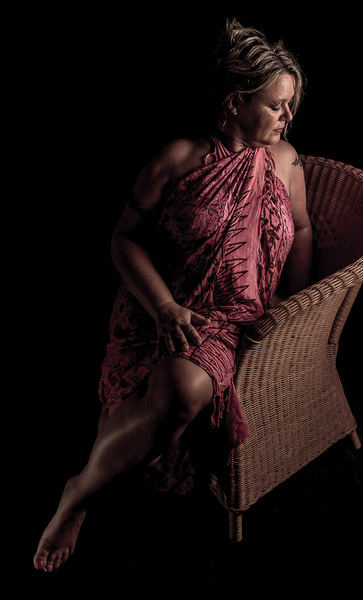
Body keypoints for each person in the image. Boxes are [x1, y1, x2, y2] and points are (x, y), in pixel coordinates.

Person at [33, 18, 313, 572]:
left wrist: (296, 300)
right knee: (166, 391)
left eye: (291, 104)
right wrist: (163, 306)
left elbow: (301, 228)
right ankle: (82, 496)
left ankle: (79, 490)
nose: (288, 116)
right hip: (165, 305)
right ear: (235, 102)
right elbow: (124, 238)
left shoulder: (287, 161)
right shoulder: (179, 157)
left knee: (182, 389)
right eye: (277, 105)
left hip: (238, 318)